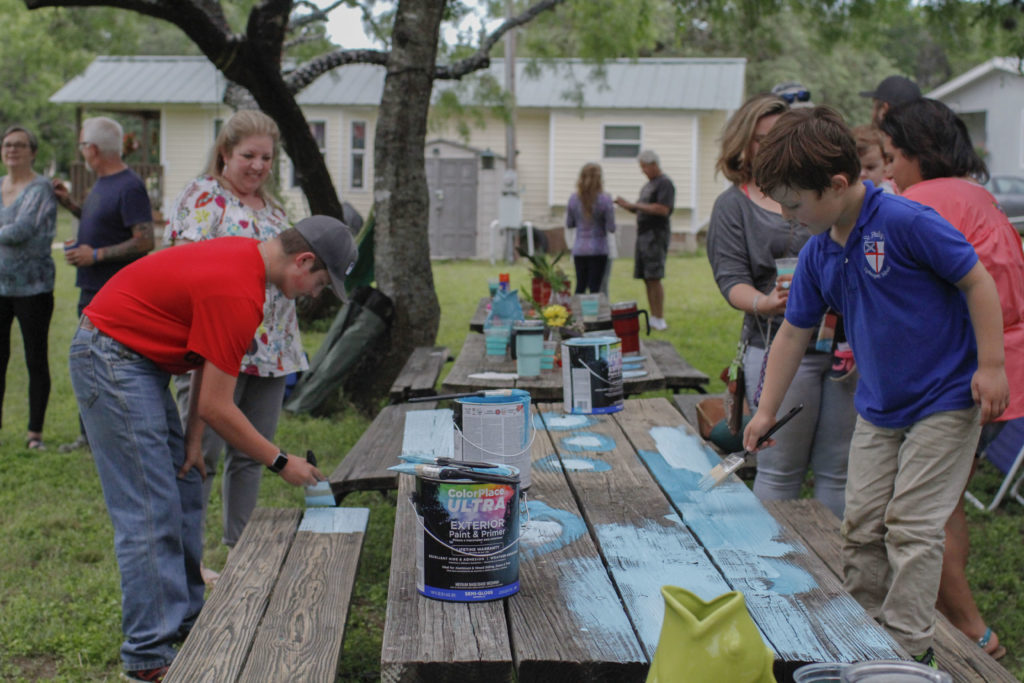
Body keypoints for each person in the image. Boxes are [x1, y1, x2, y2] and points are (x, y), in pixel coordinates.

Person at [746, 106, 1009, 666]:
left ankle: (910, 655)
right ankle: (866, 643)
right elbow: (794, 332)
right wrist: (766, 409)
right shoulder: (820, 251)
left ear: (837, 185)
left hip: (943, 400)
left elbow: (977, 281)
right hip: (879, 409)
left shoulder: (906, 221)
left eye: (795, 204)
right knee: (862, 526)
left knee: (911, 528)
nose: (790, 217)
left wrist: (990, 366)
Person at [69, 215, 357, 682]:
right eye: (320, 282)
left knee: (183, 485)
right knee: (148, 509)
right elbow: (219, 406)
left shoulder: (246, 265)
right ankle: (146, 657)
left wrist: (193, 442)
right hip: (110, 356)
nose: (313, 293)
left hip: (137, 361)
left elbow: (207, 359)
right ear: (303, 260)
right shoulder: (239, 291)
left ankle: (182, 617)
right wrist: (282, 462)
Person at [880, 97, 1024, 660]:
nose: (888, 172)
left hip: (960, 374)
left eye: (892, 157)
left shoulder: (924, 202)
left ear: (919, 152)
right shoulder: (976, 195)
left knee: (923, 508)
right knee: (947, 501)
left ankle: (971, 632)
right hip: (1002, 366)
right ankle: (955, 620)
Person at [164, 111, 304, 580]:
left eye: (266, 157)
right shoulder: (203, 197)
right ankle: (188, 563)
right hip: (217, 346)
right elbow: (186, 270)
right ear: (225, 153)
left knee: (252, 452)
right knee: (201, 453)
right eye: (248, 155)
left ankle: (241, 550)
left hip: (273, 349)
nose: (258, 165)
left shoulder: (275, 209)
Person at [706, 93, 856, 519]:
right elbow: (730, 278)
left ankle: (832, 565)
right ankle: (771, 565)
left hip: (843, 348)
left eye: (780, 135)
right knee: (779, 468)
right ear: (743, 144)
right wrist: (766, 302)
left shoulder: (826, 194)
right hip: (777, 342)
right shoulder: (733, 204)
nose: (772, 146)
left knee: (838, 469)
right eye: (761, 139)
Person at [53, 116, 155, 452]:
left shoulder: (129, 186)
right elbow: (106, 223)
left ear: (92, 149)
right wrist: (70, 205)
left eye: (82, 144)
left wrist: (95, 254)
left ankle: (101, 437)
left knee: (100, 366)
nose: (81, 150)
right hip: (92, 290)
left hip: (111, 295)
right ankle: (91, 436)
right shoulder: (103, 182)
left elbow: (144, 240)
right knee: (88, 364)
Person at [0, 125, 58, 451]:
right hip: (0, 287)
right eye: (8, 145)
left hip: (34, 289)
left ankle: (34, 433)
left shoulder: (41, 188)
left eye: (20, 145)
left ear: (32, 152)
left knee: (35, 360)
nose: (12, 150)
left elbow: (19, 231)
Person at [615, 150, 674, 330]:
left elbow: (663, 209)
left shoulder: (665, 184)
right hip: (643, 236)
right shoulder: (648, 185)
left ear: (654, 164)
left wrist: (635, 205)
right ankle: (653, 317)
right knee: (647, 278)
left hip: (655, 236)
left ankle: (659, 317)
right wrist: (627, 205)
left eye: (644, 167)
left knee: (654, 276)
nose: (643, 171)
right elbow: (641, 208)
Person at [566, 162, 616, 294]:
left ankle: (577, 313)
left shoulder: (573, 199)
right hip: (599, 249)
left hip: (580, 248)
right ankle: (596, 314)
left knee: (580, 285)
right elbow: (611, 227)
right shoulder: (605, 200)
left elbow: (569, 223)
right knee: (596, 288)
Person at [851, 124, 896, 193]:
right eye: (856, 168)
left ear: (886, 165)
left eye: (870, 167)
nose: (862, 174)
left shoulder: (885, 194)